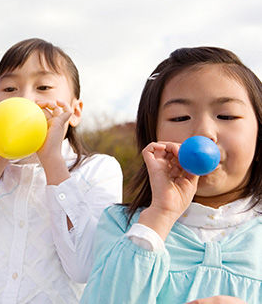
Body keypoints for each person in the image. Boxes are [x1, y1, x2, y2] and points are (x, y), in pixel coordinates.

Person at [0, 38, 123, 303]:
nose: (25, 100)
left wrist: (52, 161)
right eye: (10, 88)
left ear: (75, 111)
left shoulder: (98, 170)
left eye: (43, 87)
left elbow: (85, 266)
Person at [81, 47, 262, 304]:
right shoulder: (122, 226)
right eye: (180, 117)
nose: (203, 133)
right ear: (153, 136)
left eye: (226, 115)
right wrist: (160, 216)